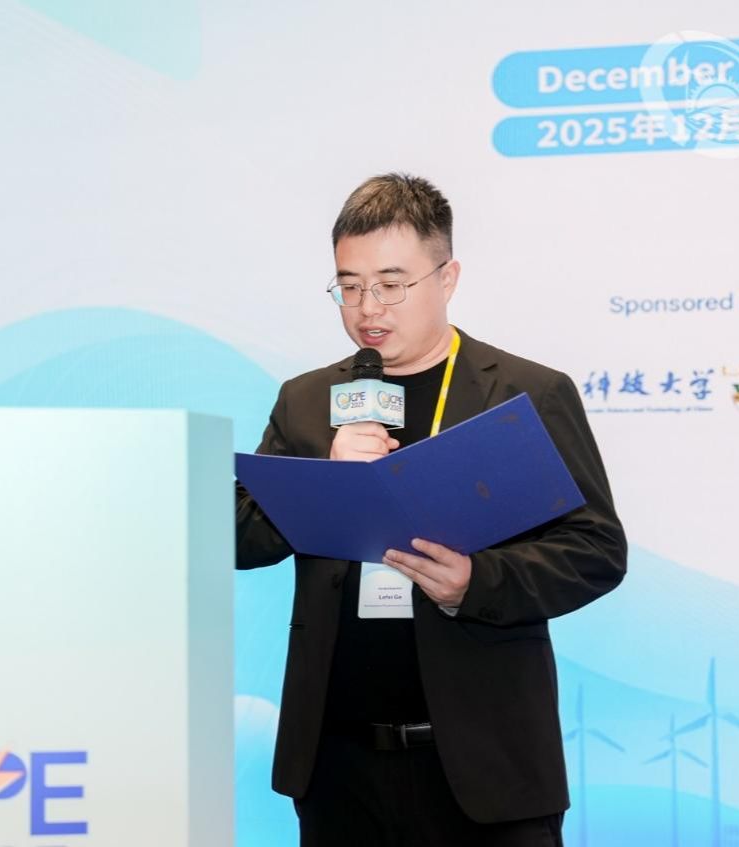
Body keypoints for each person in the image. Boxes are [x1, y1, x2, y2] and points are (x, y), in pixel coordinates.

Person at [236, 173, 627, 847]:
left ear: (447, 278)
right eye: (349, 286)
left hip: (486, 772)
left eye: (391, 284)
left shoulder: (524, 394)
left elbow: (595, 549)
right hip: (337, 770)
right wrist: (326, 474)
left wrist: (478, 582)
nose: (368, 307)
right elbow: (238, 537)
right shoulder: (307, 401)